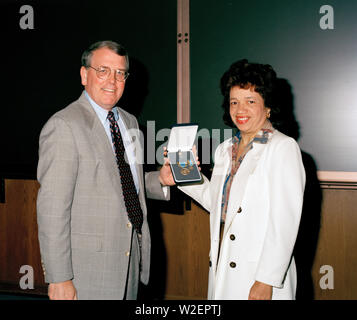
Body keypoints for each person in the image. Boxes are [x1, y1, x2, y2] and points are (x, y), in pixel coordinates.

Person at [160, 59, 306, 300]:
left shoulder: (283, 147)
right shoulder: (225, 149)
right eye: (234, 102)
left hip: (260, 277)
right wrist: (183, 171)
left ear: (267, 106)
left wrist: (265, 280)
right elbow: (216, 202)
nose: (240, 110)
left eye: (250, 102)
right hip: (224, 269)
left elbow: (285, 222)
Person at [37, 40, 170, 300]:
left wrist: (161, 180)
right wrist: (59, 277)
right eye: (103, 70)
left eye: (120, 73)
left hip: (129, 261)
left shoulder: (129, 121)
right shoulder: (64, 125)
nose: (112, 80)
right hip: (85, 272)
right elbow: (52, 211)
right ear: (84, 74)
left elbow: (124, 182)